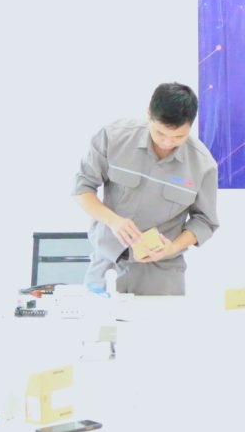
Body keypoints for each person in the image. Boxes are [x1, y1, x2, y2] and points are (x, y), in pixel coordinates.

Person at [73, 82, 220, 295]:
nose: (167, 142)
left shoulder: (203, 165)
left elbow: (205, 221)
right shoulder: (113, 138)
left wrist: (172, 248)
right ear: (149, 113)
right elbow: (82, 188)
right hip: (107, 261)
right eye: (160, 133)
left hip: (162, 272)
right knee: (98, 317)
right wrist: (113, 221)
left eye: (178, 137)